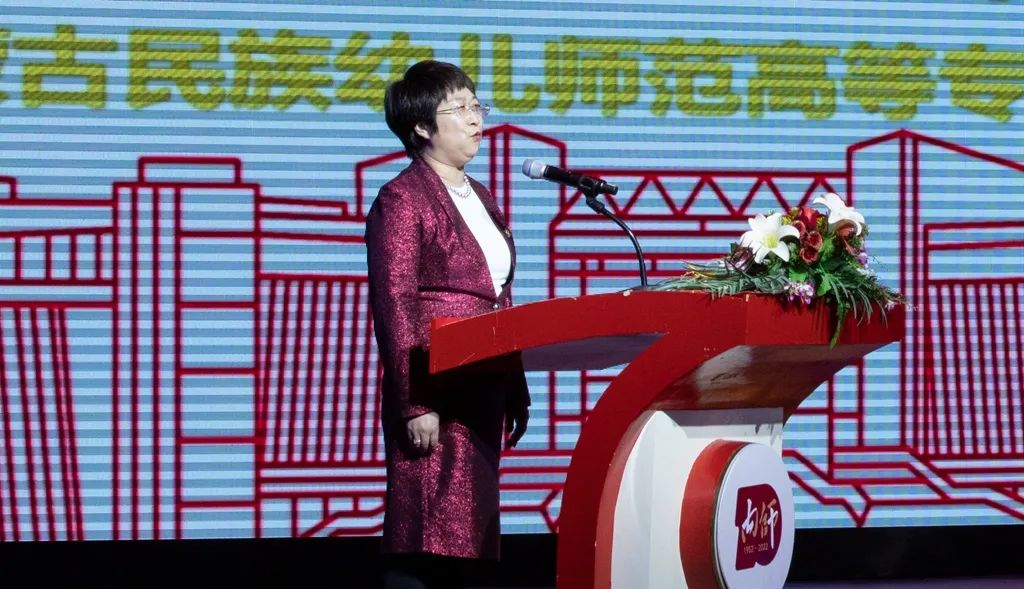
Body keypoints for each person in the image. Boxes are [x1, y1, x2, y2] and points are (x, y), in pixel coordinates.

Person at [365, 60, 531, 589]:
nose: (475, 118)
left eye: (476, 105)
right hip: (435, 387)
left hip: (483, 387)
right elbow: (395, 303)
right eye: (458, 109)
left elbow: (499, 299)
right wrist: (417, 402)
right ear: (421, 126)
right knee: (426, 539)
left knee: (470, 543)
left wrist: (514, 384)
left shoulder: (481, 195)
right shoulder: (402, 198)